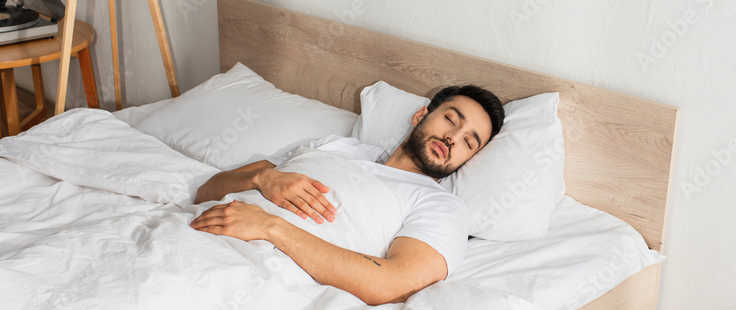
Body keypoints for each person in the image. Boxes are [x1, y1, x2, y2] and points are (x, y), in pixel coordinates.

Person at [189, 85, 505, 305]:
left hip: (254, 275)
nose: (452, 138)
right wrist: (262, 177)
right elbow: (206, 191)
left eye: (469, 142)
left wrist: (270, 227)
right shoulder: (335, 147)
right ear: (420, 115)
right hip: (196, 233)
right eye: (451, 119)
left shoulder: (441, 207)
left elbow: (393, 285)